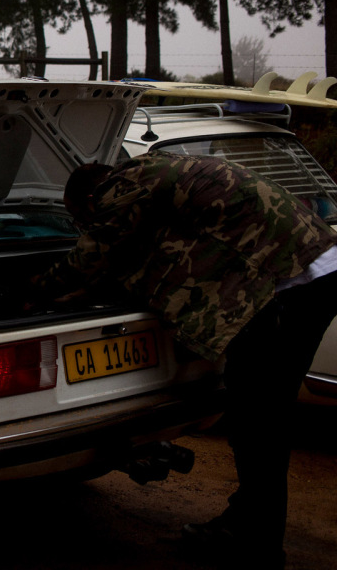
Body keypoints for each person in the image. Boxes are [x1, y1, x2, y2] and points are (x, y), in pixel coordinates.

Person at [34, 152, 337, 569]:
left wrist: (36, 291)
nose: (85, 223)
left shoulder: (125, 184)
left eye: (81, 216)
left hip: (288, 284)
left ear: (91, 195)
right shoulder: (162, 172)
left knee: (259, 419)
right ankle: (246, 522)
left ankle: (255, 544)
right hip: (315, 268)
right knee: (262, 415)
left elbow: (94, 252)